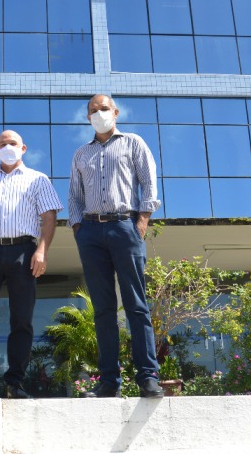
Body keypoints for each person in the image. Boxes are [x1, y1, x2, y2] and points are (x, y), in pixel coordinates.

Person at [68, 94, 165, 398]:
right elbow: (74, 196)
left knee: (136, 305)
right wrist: (78, 228)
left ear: (116, 112)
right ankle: (109, 381)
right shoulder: (81, 154)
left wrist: (142, 220)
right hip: (91, 232)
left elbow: (149, 182)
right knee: (103, 310)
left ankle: (148, 375)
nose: (99, 114)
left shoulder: (133, 142)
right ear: (88, 118)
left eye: (104, 109)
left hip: (126, 226)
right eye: (93, 111)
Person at [0, 130, 62, 399]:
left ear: (23, 148)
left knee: (22, 319)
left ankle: (15, 382)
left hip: (24, 252)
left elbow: (49, 217)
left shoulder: (38, 180)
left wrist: (42, 250)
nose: (8, 147)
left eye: (13, 143)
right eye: (3, 144)